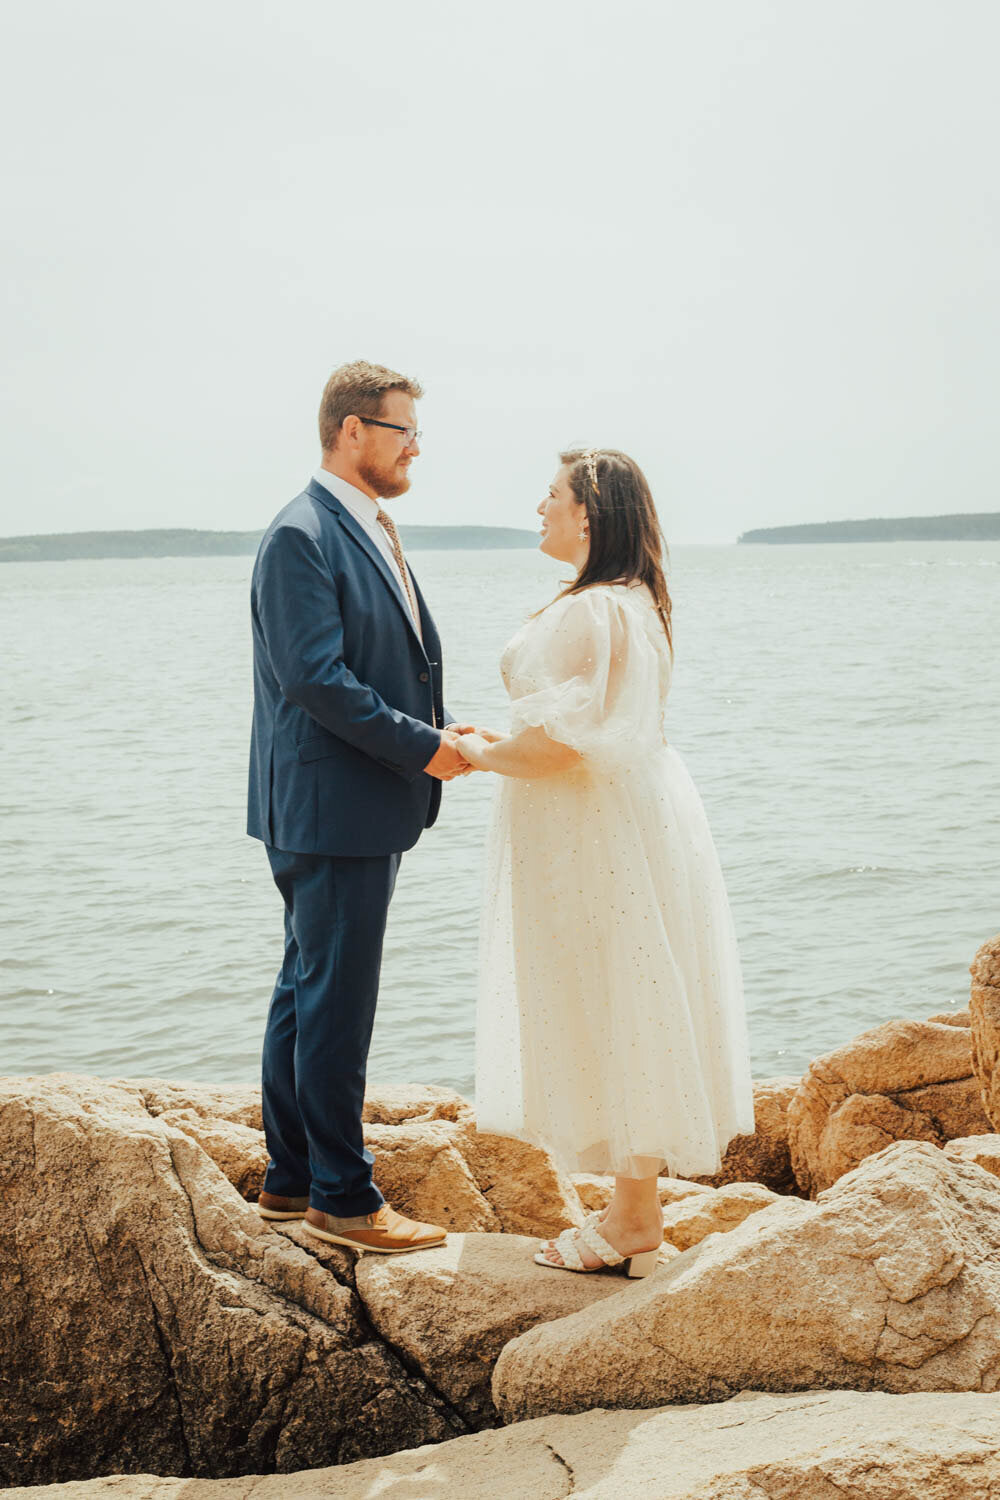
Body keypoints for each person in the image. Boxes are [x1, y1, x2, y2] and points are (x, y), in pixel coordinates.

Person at [457, 448, 754, 1277]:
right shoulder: (631, 603)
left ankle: (631, 1221)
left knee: (616, 992)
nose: (539, 507)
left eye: (551, 495)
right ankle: (634, 1211)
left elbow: (558, 744)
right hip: (624, 814)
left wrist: (477, 756)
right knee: (633, 993)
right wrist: (497, 741)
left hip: (595, 827)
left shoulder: (595, 609)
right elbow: (574, 725)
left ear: (589, 513)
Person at [247, 359, 473, 1255]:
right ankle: (344, 1199)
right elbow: (316, 680)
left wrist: (443, 724)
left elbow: (386, 659)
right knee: (336, 1003)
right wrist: (422, 747)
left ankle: (289, 1180)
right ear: (351, 430)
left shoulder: (364, 525)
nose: (416, 446)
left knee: (307, 994)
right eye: (402, 430)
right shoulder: (302, 534)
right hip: (330, 805)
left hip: (345, 802)